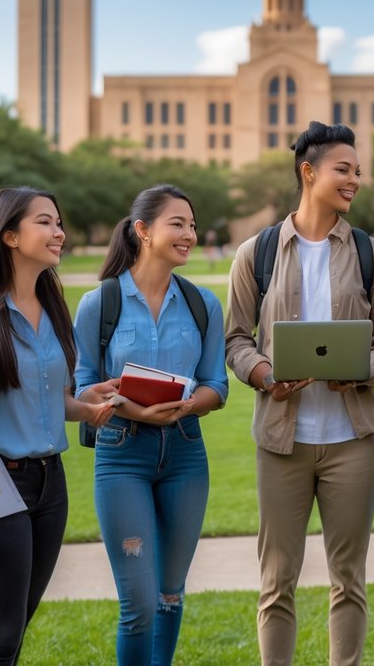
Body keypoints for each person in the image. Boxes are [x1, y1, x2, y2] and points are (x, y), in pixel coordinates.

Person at [225, 121, 374, 666]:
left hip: (350, 439)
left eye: (357, 171)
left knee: (347, 579)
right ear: (309, 172)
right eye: (343, 169)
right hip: (282, 442)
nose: (355, 179)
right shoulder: (254, 254)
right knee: (276, 580)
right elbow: (235, 340)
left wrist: (361, 371)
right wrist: (263, 374)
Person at [0, 187, 115, 665]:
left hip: (50, 484)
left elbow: (50, 398)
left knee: (16, 628)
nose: (58, 232)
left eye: (59, 222)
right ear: (10, 236)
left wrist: (88, 405)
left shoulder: (52, 306)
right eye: (45, 222)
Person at [73, 185, 229, 666]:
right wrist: (132, 410)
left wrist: (186, 407)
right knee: (138, 604)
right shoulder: (99, 304)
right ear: (142, 231)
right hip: (122, 455)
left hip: (185, 453)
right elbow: (82, 387)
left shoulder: (204, 304)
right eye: (177, 224)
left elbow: (216, 385)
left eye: (193, 225)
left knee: (169, 595)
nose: (190, 234)